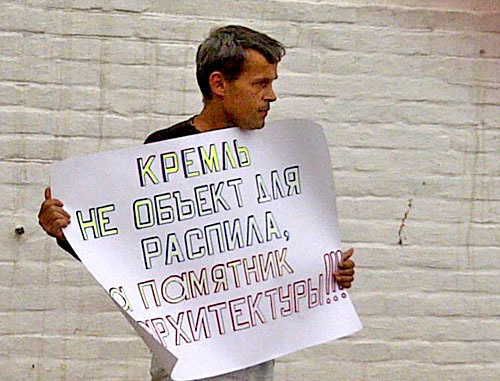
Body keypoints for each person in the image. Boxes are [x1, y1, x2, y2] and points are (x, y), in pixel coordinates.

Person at [38, 25, 356, 381]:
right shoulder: (164, 151)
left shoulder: (270, 155)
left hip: (255, 360)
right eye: (260, 84)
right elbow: (134, 254)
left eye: (272, 83)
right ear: (219, 85)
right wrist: (66, 234)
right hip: (190, 363)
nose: (272, 96)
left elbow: (273, 246)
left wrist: (326, 272)